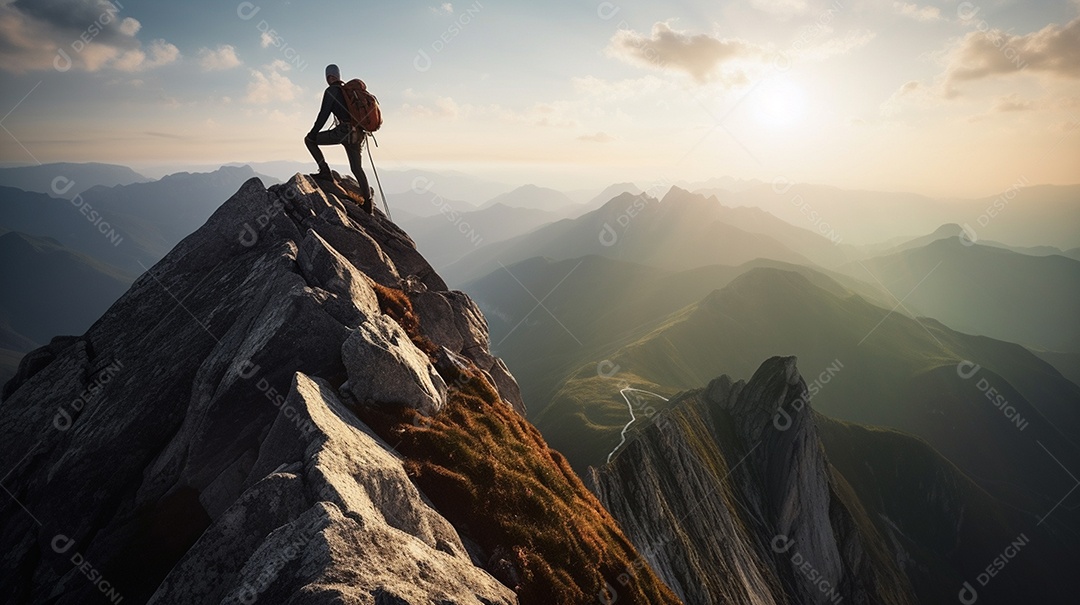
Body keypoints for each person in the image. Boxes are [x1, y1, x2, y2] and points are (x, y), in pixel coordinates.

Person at [304, 64, 370, 199]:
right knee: (357, 169)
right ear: (338, 76)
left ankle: (325, 172)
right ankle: (368, 202)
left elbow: (323, 114)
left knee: (309, 141)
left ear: (328, 77)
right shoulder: (346, 91)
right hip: (357, 134)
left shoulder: (331, 91)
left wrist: (313, 133)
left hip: (343, 132)